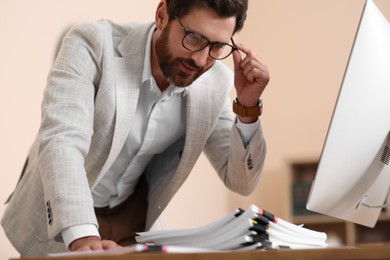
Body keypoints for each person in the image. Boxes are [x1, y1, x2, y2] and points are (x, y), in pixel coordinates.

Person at [2, 0, 269, 256]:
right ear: (162, 15)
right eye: (194, 38)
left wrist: (247, 107)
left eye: (217, 46)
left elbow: (241, 181)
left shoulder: (214, 83)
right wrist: (83, 236)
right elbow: (63, 139)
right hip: (68, 214)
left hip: (135, 221)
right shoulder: (91, 44)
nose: (201, 59)